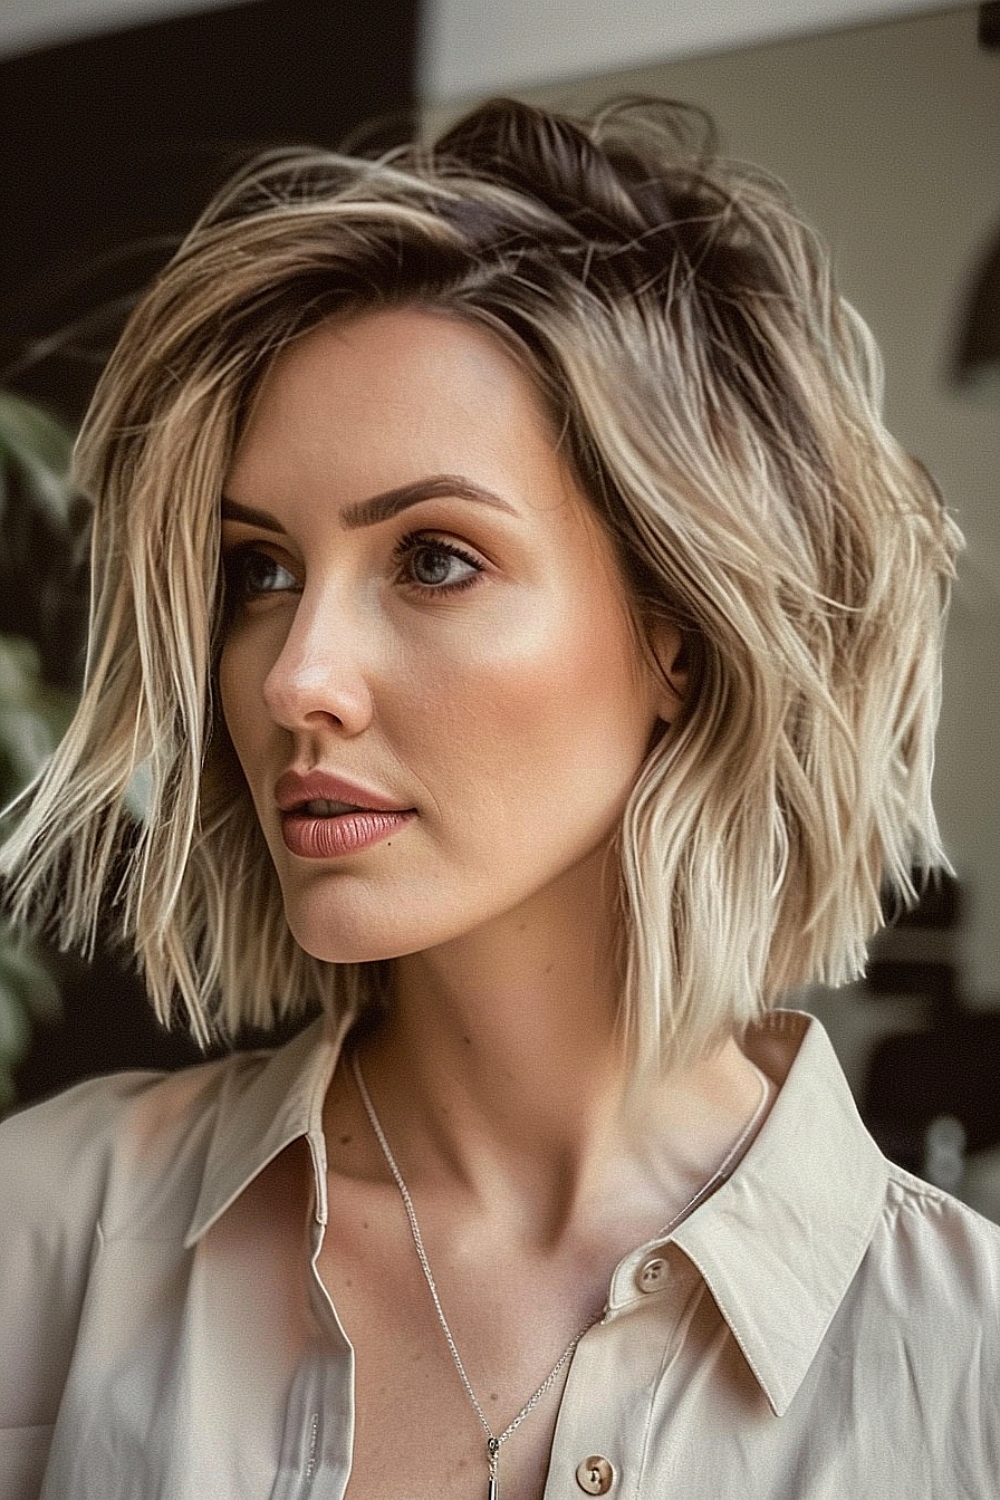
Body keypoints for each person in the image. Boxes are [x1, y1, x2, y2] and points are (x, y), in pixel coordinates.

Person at [0, 96, 996, 1500]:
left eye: (435, 560)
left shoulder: (965, 1367)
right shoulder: (42, 1236)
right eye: (261, 571)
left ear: (682, 634)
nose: (297, 678)